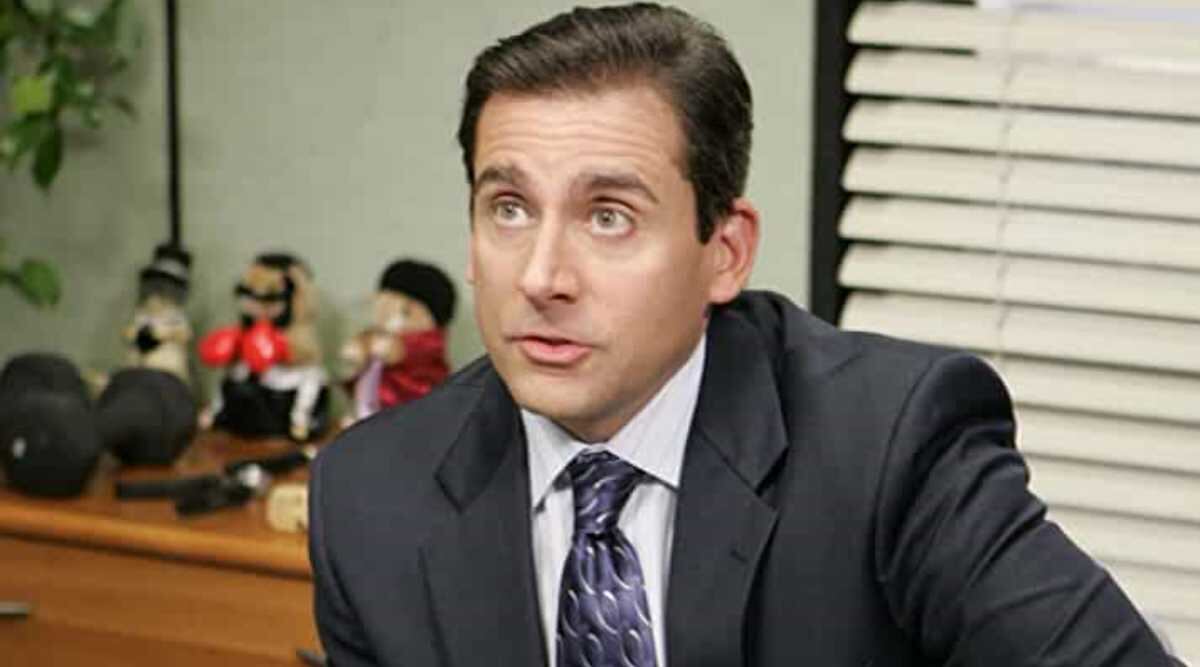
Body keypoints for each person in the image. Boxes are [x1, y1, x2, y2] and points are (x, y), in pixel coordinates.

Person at [308, 4, 1180, 666]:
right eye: (508, 208)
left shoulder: (888, 448)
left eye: (608, 216)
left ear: (725, 252)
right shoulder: (371, 496)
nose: (540, 276)